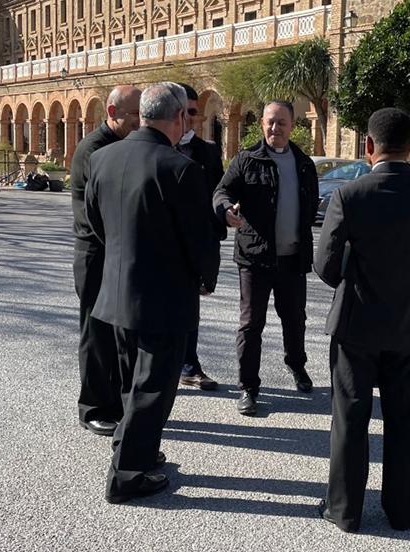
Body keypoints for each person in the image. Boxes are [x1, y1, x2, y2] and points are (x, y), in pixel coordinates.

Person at [314, 108, 410, 533]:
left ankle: (344, 510)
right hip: (408, 323)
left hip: (356, 323)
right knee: (405, 419)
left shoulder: (349, 196)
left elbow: (325, 267)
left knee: (350, 417)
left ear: (369, 146)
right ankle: (401, 510)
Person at [85, 83, 220, 504]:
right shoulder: (180, 168)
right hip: (164, 296)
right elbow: (200, 239)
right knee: (153, 388)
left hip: (116, 291)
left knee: (131, 383)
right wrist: (206, 277)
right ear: (178, 116)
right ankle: (127, 474)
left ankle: (133, 447)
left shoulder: (102, 158)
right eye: (187, 116)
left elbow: (94, 223)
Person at [213, 101, 320, 416]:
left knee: (295, 318)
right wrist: (226, 210)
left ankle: (296, 364)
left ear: (292, 125)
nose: (276, 128)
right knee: (250, 324)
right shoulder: (246, 160)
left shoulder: (304, 164)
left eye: (282, 122)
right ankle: (248, 387)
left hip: (293, 259)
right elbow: (222, 192)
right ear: (262, 123)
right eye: (270, 122)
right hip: (255, 258)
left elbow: (311, 205)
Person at [71, 85, 142, 436]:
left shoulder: (124, 145)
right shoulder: (93, 150)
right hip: (97, 254)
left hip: (118, 253)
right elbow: (95, 214)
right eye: (134, 116)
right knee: (96, 333)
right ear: (112, 113)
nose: (139, 122)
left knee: (121, 334)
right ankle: (93, 408)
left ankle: (118, 403)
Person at [176, 83, 226, 391]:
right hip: (160, 245)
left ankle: (188, 365)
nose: (191, 118)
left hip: (193, 246)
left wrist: (224, 215)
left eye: (195, 112)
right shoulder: (153, 148)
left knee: (190, 307)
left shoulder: (207, 151)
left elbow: (218, 194)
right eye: (186, 111)